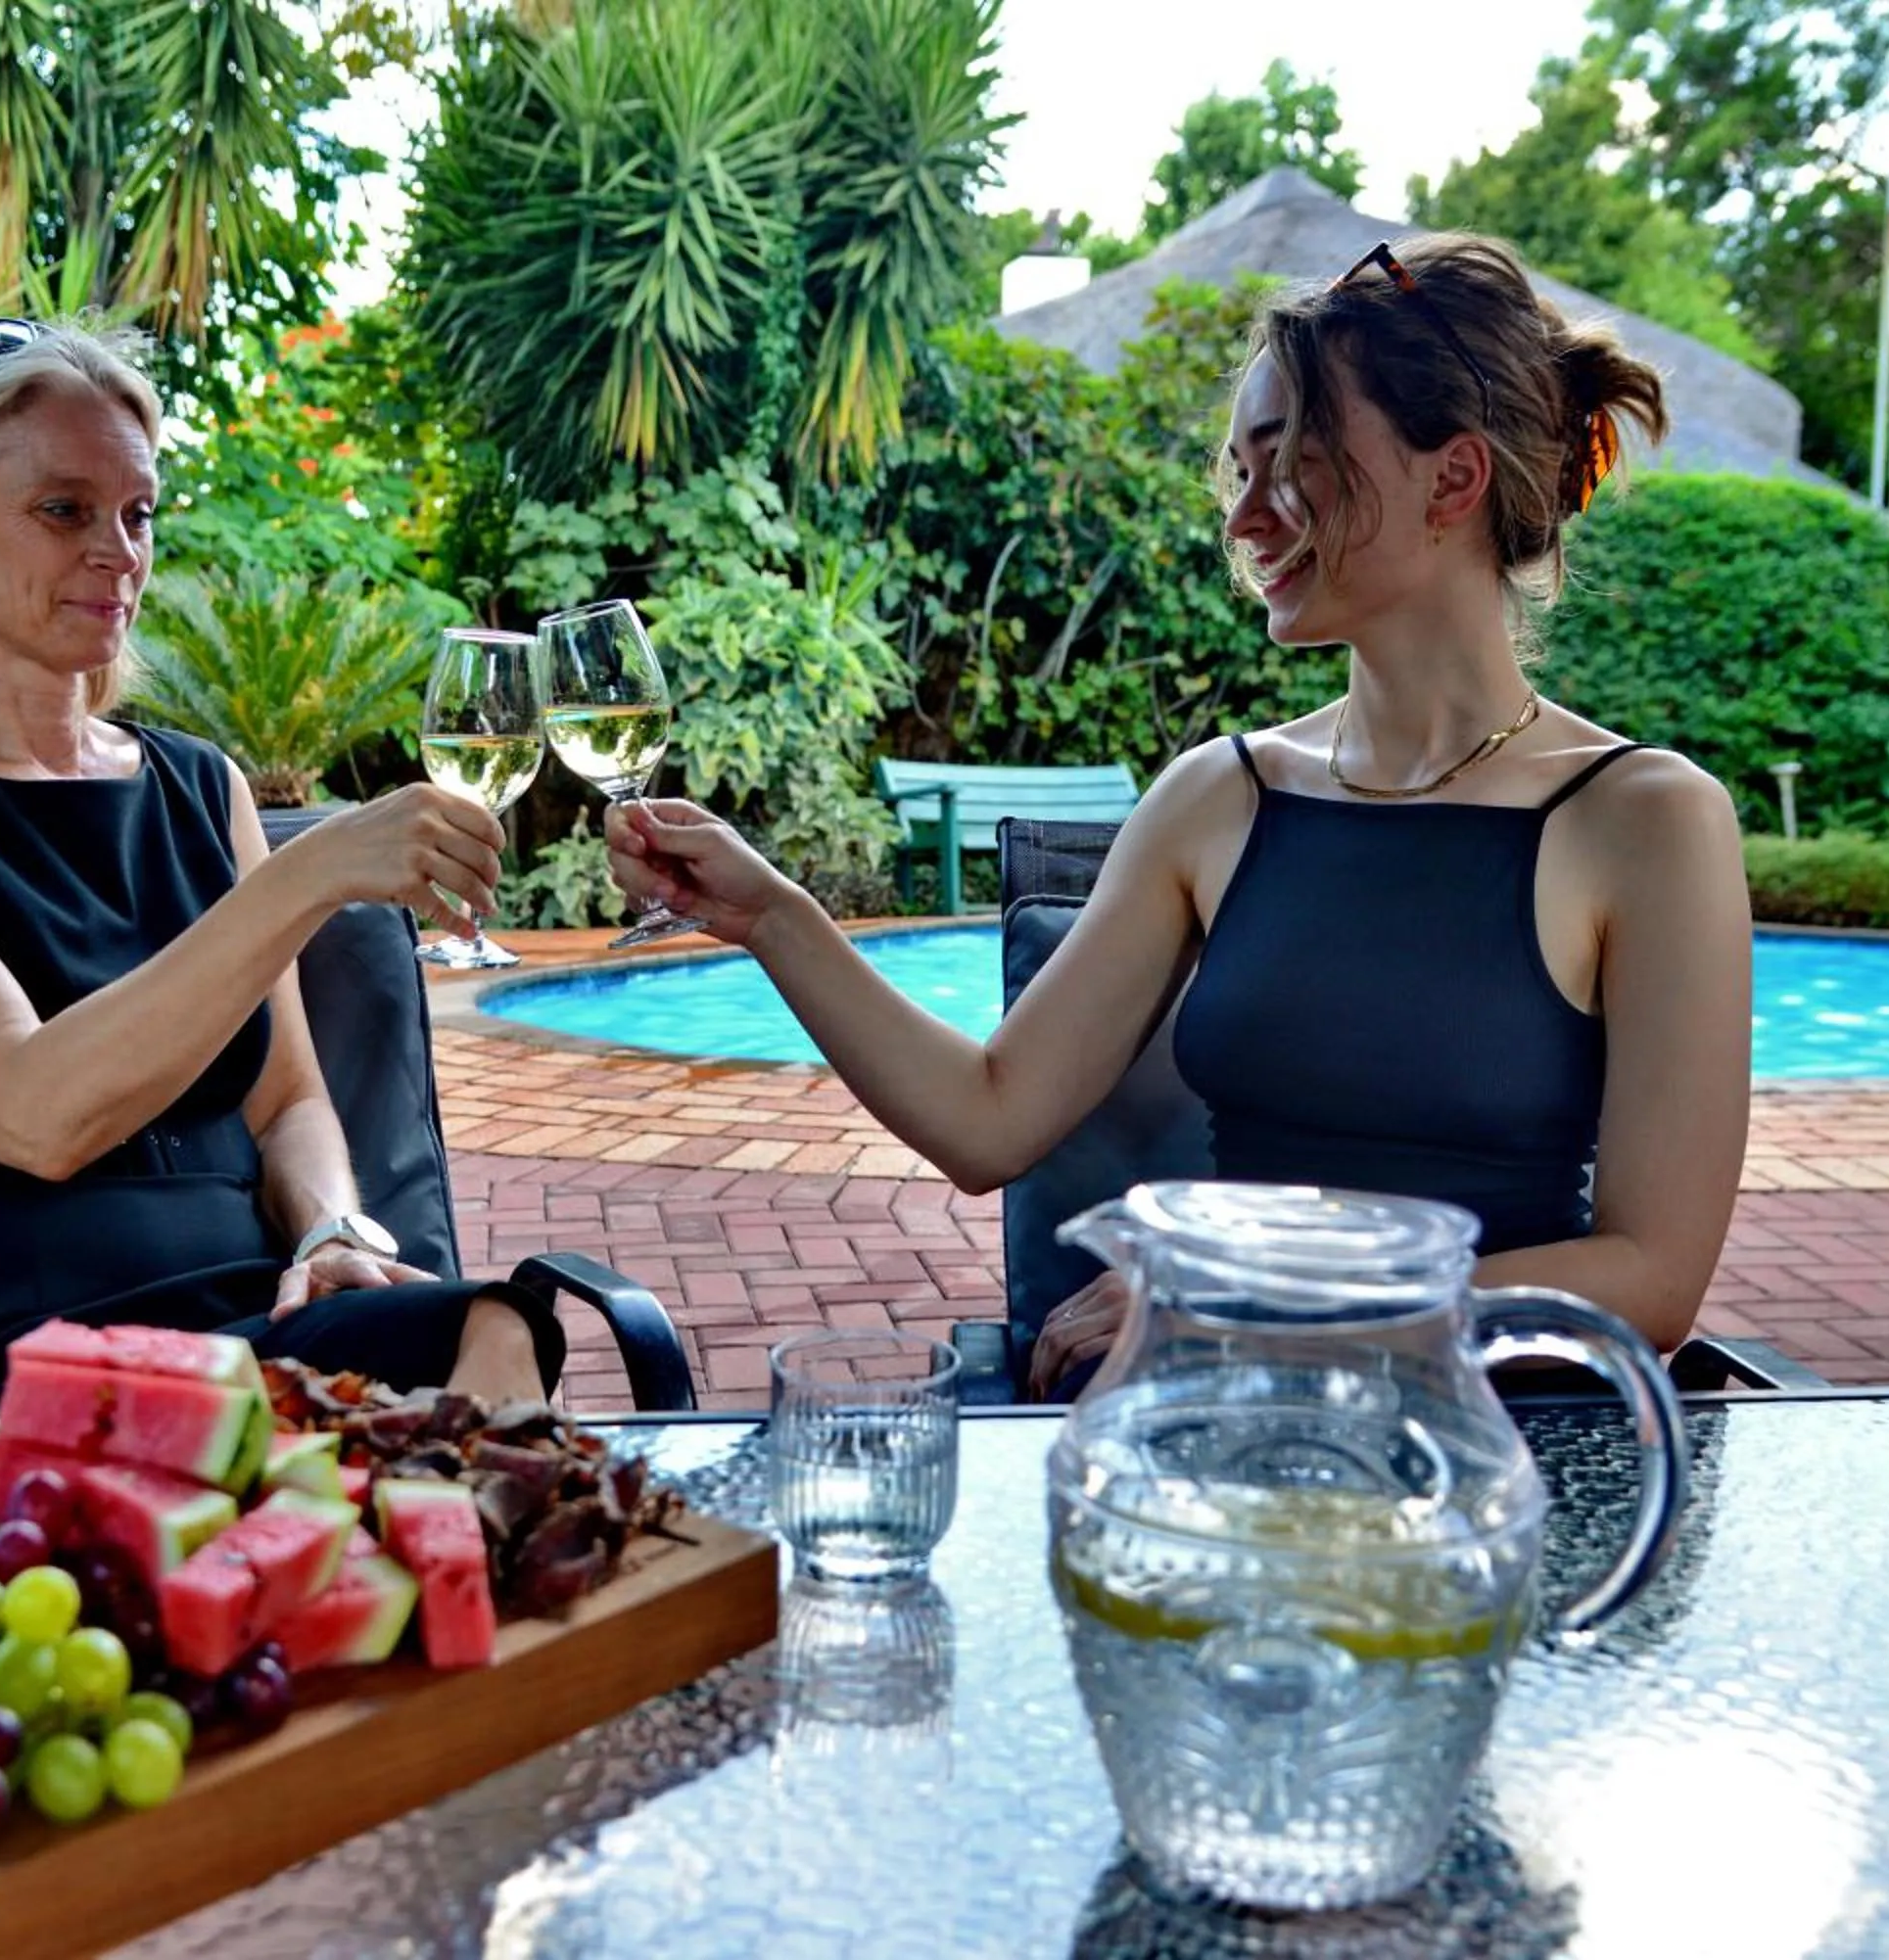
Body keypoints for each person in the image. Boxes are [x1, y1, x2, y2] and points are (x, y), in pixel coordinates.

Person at [607, 234, 1753, 1398]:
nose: (1248, 517)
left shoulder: (1645, 822)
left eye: (1294, 463)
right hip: (1226, 1432)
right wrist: (774, 918)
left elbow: (1653, 1278)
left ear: (1452, 482)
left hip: (1511, 1457)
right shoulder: (1220, 795)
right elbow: (986, 1120)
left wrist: (1248, 1302)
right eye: (1239, 469)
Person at [0, 317, 562, 1420]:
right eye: (65, 511)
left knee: (500, 1327)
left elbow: (287, 1100)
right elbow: (38, 1112)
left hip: (255, 1327)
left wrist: (330, 1224)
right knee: (441, 1393)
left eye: (137, 513)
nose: (120, 551)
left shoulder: (199, 786)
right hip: (34, 1369)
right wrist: (304, 876)